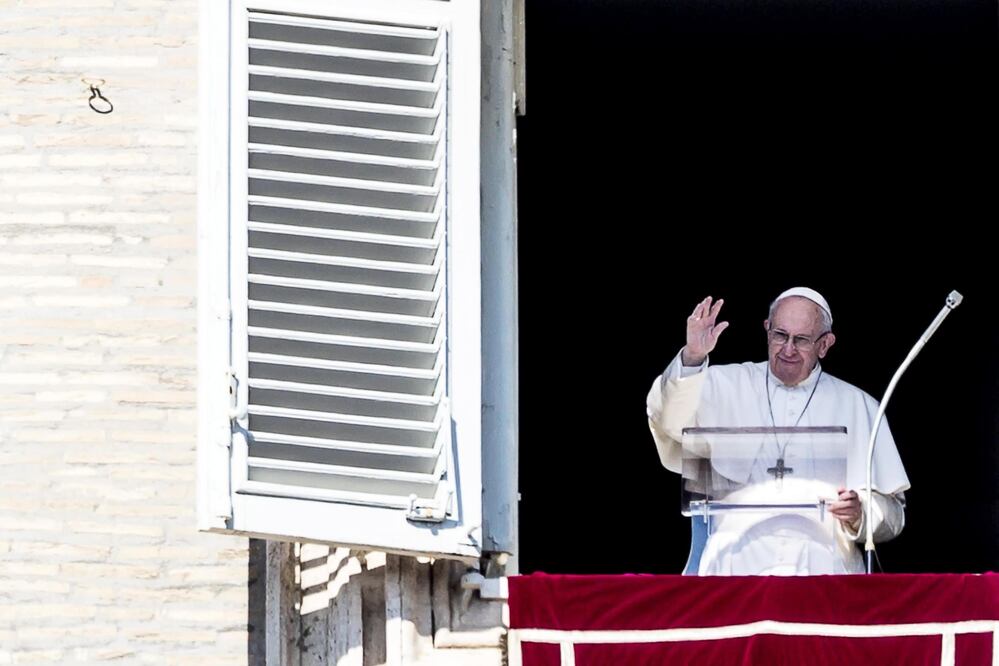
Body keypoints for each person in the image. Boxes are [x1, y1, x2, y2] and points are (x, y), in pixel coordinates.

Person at [646, 287, 909, 575]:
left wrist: (861, 512)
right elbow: (667, 420)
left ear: (825, 344)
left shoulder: (859, 405)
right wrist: (693, 357)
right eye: (780, 335)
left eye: (802, 340)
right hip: (732, 567)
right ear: (767, 330)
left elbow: (892, 514)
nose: (788, 349)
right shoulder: (721, 384)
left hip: (824, 570)